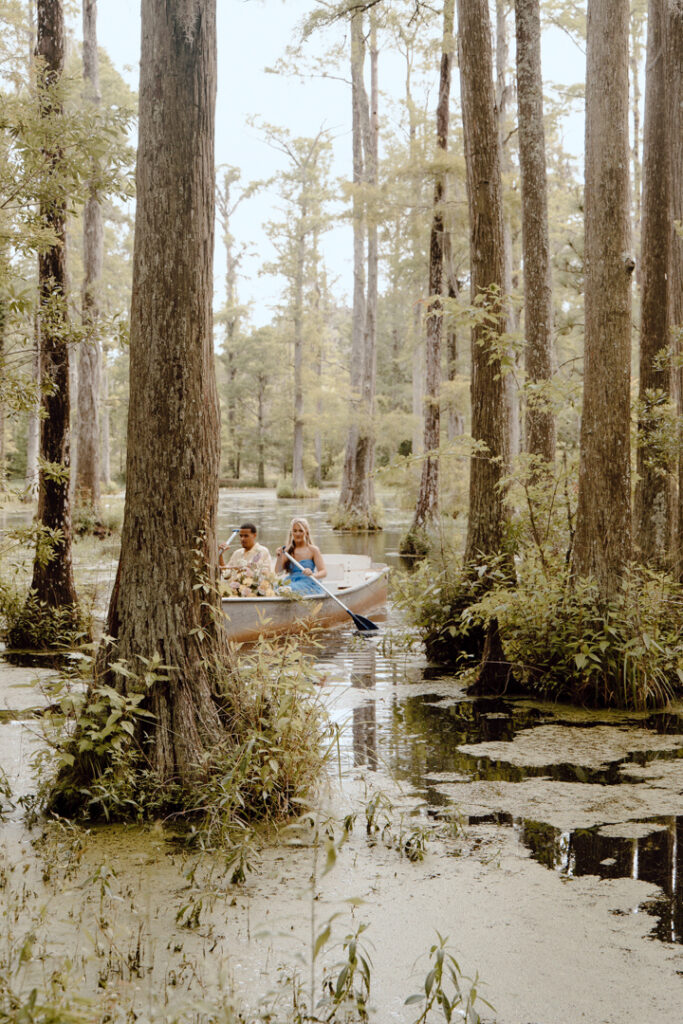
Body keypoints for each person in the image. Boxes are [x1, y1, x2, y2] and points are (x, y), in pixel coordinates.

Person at [275, 517, 327, 595]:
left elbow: (323, 572)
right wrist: (279, 557)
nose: (297, 534)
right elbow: (278, 571)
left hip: (308, 582)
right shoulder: (287, 551)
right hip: (291, 581)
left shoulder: (313, 550)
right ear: (292, 533)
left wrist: (313, 575)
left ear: (306, 532)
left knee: (290, 589)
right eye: (295, 531)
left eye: (301, 531)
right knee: (278, 588)